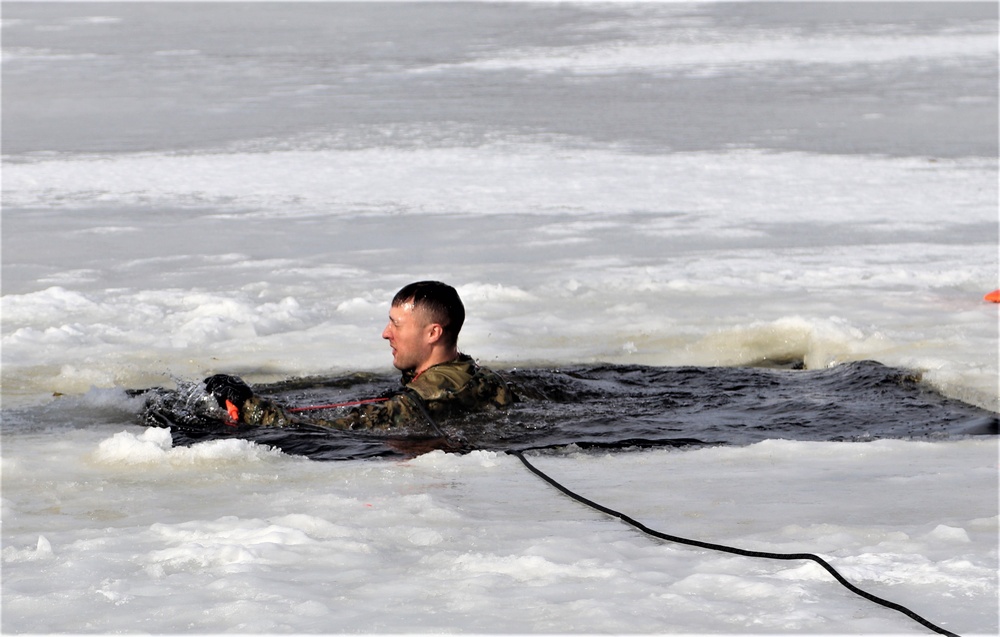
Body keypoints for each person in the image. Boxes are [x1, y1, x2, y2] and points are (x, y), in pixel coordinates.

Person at [203, 281, 516, 431]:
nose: (385, 333)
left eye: (396, 324)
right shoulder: (466, 370)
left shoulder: (430, 395)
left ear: (433, 333)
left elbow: (338, 428)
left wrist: (249, 407)